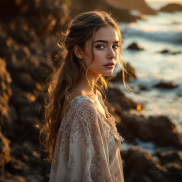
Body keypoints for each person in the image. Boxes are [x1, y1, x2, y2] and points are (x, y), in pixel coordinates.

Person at [40, 10, 134, 182]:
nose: (112, 54)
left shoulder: (92, 95)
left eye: (115, 45)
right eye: (100, 46)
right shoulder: (84, 108)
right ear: (79, 52)